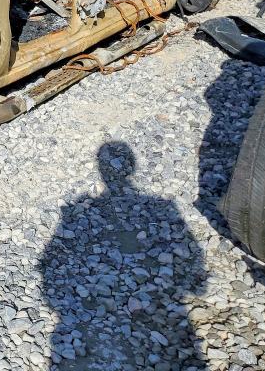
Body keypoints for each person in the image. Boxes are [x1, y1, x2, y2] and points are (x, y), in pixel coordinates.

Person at [39, 142, 207, 370]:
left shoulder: (75, 209)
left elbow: (46, 269)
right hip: (168, 314)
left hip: (69, 321)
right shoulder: (164, 207)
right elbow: (199, 284)